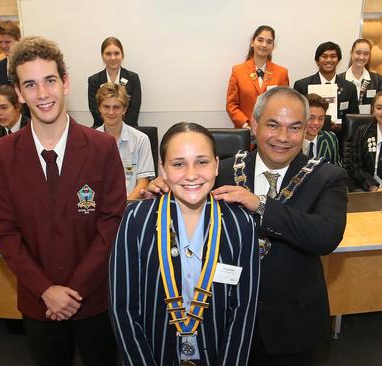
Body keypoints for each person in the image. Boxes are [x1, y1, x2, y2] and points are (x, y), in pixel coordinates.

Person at [144, 87, 348, 365]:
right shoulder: (224, 171)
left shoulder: (327, 175)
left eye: (294, 128)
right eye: (273, 125)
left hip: (294, 326)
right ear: (254, 124)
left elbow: (326, 235)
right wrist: (164, 189)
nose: (283, 138)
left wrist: (260, 205)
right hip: (225, 319)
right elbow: (188, 211)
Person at [0, 36, 126, 366]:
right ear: (19, 94)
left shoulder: (102, 148)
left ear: (65, 83)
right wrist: (46, 290)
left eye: (50, 80)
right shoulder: (4, 154)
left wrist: (74, 290)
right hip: (39, 303)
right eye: (30, 85)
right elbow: (4, 231)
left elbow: (111, 223)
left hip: (92, 298)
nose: (43, 94)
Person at [109, 122, 259, 365]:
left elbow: (243, 310)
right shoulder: (136, 219)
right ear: (163, 169)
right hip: (155, 353)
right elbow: (123, 309)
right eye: (178, 164)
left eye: (202, 162)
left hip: (217, 354)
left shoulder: (240, 224)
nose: (191, 174)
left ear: (217, 165)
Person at [95, 82, 154, 200]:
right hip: (100, 209)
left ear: (125, 109)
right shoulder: (90, 141)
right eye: (106, 106)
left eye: (116, 107)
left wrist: (123, 209)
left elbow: (143, 184)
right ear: (99, 108)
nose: (111, 112)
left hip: (130, 206)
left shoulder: (141, 140)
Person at [226, 25, 290, 129]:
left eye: (269, 42)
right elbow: (231, 105)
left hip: (273, 132)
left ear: (273, 46)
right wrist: (245, 125)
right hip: (246, 132)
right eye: (260, 40)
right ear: (252, 42)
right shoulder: (238, 71)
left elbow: (284, 104)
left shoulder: (281, 73)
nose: (264, 45)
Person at [293, 41, 359, 127]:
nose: (329, 60)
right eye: (324, 56)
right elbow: (296, 115)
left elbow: (353, 119)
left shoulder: (349, 88)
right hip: (310, 137)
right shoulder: (302, 85)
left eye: (333, 56)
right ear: (317, 60)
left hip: (340, 138)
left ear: (338, 60)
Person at [88, 37, 141, 127]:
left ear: (122, 55)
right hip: (102, 131)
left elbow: (134, 110)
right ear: (102, 56)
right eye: (108, 54)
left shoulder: (133, 78)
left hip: (129, 129)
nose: (113, 58)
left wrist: (121, 128)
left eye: (116, 53)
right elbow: (95, 110)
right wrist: (110, 127)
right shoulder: (94, 81)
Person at [338, 38, 382, 114]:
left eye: (366, 54)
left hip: (370, 124)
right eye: (358, 53)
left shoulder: (377, 79)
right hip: (346, 124)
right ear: (351, 53)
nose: (361, 57)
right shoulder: (340, 79)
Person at [304, 93, 341, 166]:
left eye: (321, 118)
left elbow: (337, 171)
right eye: (311, 118)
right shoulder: (292, 141)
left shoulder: (330, 138)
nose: (316, 123)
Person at [0, 20, 21, 87]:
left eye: (7, 42)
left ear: (19, 40)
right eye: (0, 42)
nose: (3, 46)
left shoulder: (29, 64)